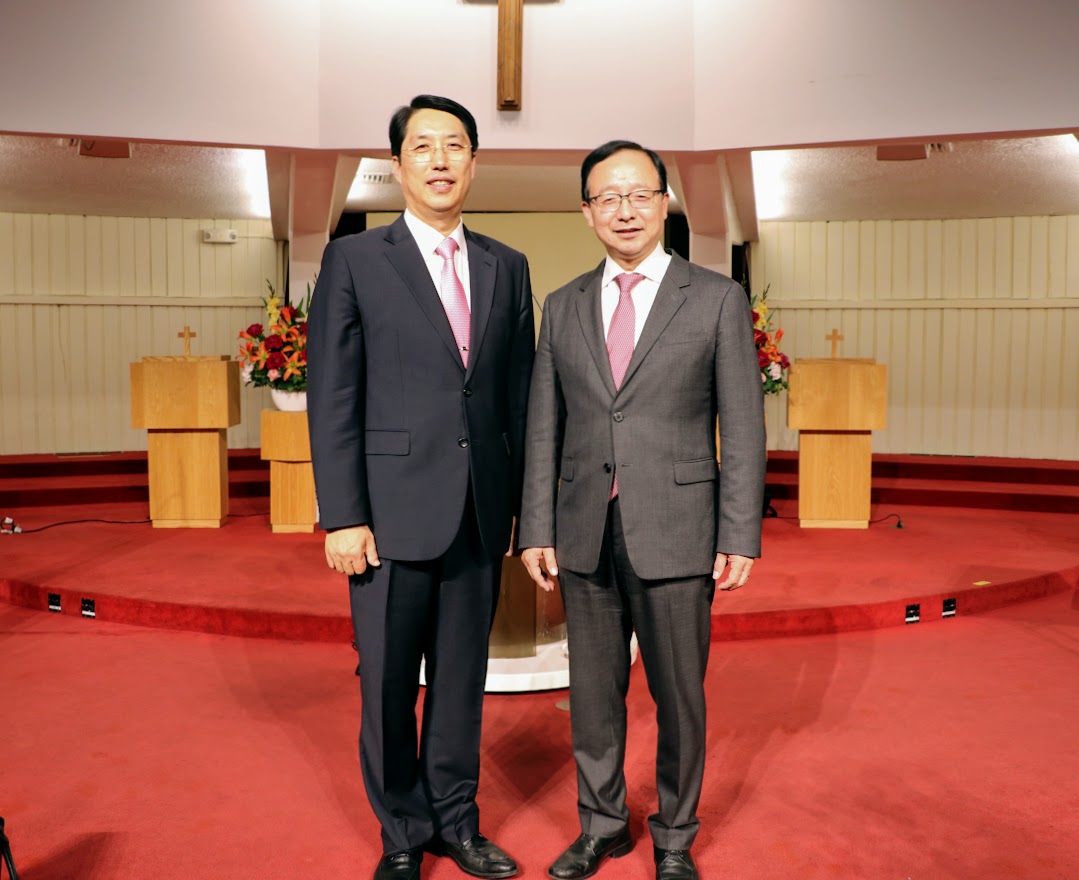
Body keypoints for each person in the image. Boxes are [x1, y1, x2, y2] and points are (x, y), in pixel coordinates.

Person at [518, 141, 765, 880]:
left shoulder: (715, 298)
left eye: (638, 195)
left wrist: (739, 533)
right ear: (587, 211)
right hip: (585, 531)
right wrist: (536, 525)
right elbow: (543, 426)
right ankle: (601, 827)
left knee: (679, 697)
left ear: (663, 203)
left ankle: (675, 836)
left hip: (678, 529)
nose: (623, 210)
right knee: (592, 696)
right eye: (607, 197)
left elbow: (743, 426)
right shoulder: (563, 305)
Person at [307, 95, 535, 880]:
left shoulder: (507, 265)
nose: (440, 160)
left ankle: (457, 823)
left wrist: (521, 510)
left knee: (462, 682)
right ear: (397, 164)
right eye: (423, 146)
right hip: (388, 513)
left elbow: (516, 397)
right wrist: (343, 515)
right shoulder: (354, 260)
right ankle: (402, 833)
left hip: (477, 510)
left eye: (455, 146)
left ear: (474, 162)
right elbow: (334, 395)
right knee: (387, 684)